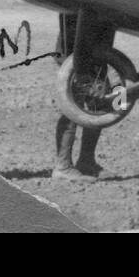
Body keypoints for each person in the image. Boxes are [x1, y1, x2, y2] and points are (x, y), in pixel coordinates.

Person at [52, 12, 105, 181]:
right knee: (74, 104)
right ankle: (63, 166)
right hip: (78, 55)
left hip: (96, 52)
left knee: (98, 105)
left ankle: (87, 160)